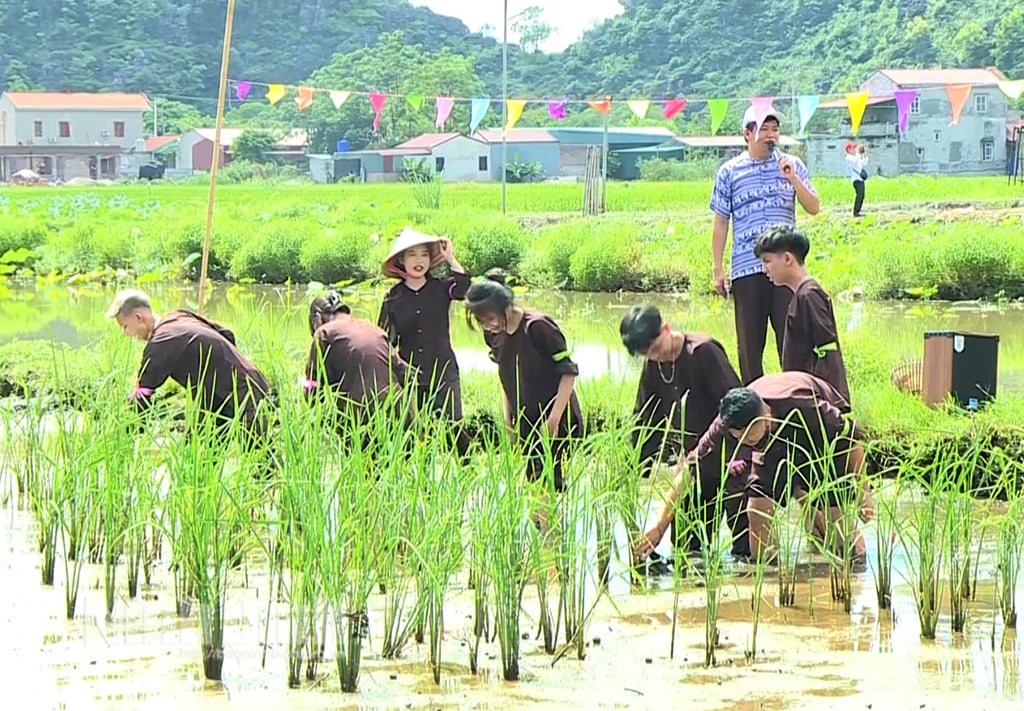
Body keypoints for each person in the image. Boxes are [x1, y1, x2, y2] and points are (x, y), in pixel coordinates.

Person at [637, 372, 874, 563]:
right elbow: (688, 474)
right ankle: (768, 575)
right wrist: (658, 528)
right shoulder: (725, 426)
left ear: (766, 417)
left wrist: (864, 493)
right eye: (742, 441)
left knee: (834, 521)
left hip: (818, 442)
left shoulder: (807, 408)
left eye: (750, 438)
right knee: (756, 509)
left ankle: (856, 566)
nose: (745, 444)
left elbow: (852, 441)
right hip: (771, 447)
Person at [621, 305, 750, 558]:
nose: (657, 357)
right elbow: (646, 420)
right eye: (648, 355)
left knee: (746, 549)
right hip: (695, 466)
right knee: (686, 547)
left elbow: (737, 406)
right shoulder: (653, 368)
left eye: (658, 348)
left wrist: (736, 454)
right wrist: (632, 468)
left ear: (666, 328)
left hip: (733, 458)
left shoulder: (703, 352)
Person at [710, 103, 820, 384]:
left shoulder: (792, 165)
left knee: (792, 340)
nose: (771, 136)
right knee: (749, 346)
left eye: (775, 130)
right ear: (747, 134)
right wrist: (717, 269)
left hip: (786, 270)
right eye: (764, 130)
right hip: (747, 268)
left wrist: (792, 177)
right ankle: (755, 409)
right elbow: (721, 222)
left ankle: (796, 399)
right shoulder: (729, 172)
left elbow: (813, 207)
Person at [105, 288, 273, 453]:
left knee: (260, 461)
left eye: (125, 327)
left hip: (243, 394)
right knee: (197, 458)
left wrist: (126, 438)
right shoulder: (178, 315)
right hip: (228, 392)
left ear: (138, 318)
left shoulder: (160, 342)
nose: (126, 334)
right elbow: (226, 334)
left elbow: (142, 396)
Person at [465, 272, 581, 492]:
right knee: (534, 485)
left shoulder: (537, 327)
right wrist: (509, 421)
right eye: (481, 322)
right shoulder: (494, 335)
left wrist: (553, 421)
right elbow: (504, 376)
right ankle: (543, 525)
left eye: (490, 318)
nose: (487, 326)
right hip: (525, 421)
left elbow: (568, 373)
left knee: (550, 487)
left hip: (556, 419)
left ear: (507, 305)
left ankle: (552, 526)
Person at [378, 227, 471, 454]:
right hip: (410, 376)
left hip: (444, 372)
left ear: (430, 259)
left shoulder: (441, 288)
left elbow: (465, 289)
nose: (418, 261)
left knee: (455, 432)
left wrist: (450, 258)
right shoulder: (393, 297)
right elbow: (384, 340)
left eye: (424, 255)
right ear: (401, 260)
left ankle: (466, 476)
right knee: (416, 437)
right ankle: (421, 488)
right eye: (412, 255)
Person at [754, 225, 851, 404]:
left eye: (767, 261)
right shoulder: (801, 295)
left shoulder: (809, 296)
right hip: (805, 395)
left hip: (817, 400)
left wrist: (833, 403)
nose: (764, 269)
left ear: (788, 258)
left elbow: (827, 352)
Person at [302, 289, 414, 430]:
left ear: (317, 318)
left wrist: (311, 421)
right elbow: (406, 374)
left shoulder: (323, 333)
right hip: (400, 419)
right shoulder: (375, 330)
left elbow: (313, 387)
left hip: (360, 421)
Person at [845, 141, 868, 217]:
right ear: (848, 149)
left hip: (860, 179)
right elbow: (855, 162)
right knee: (859, 195)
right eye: (853, 148)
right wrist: (858, 153)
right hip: (856, 180)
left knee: (862, 195)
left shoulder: (855, 157)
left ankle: (858, 211)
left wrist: (864, 155)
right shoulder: (848, 158)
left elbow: (863, 163)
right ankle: (856, 212)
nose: (854, 149)